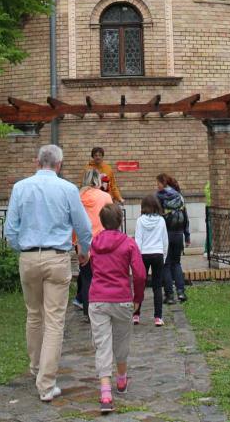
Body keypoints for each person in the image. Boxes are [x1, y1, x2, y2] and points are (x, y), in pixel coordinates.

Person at [5, 144, 92, 403]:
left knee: (34, 315)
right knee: (54, 320)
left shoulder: (20, 188)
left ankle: (36, 368)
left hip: (29, 256)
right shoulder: (67, 189)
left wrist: (22, 248)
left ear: (37, 162)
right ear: (59, 164)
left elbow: (11, 228)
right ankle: (46, 381)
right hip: (56, 257)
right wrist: (84, 250)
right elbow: (84, 227)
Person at [88, 203, 146, 413]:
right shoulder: (129, 244)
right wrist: (137, 298)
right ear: (120, 221)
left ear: (102, 222)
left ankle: (105, 392)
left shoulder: (94, 243)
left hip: (98, 299)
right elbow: (139, 274)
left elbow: (92, 266)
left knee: (102, 344)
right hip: (121, 298)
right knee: (121, 339)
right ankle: (121, 380)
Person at [76, 168, 113, 319]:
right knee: (104, 275)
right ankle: (103, 308)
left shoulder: (78, 197)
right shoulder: (105, 197)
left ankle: (87, 311)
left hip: (83, 241)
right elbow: (111, 217)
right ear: (98, 180)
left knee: (86, 277)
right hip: (103, 240)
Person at [133, 194, 169, 326]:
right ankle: (158, 317)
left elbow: (138, 240)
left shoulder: (140, 221)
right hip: (158, 253)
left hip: (144, 254)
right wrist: (164, 256)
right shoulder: (161, 221)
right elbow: (165, 240)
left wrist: (136, 258)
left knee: (140, 285)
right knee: (157, 286)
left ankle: (136, 314)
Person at [156, 173, 190, 304]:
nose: (157, 186)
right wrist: (187, 236)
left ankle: (169, 296)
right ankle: (181, 293)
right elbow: (185, 217)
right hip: (178, 234)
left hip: (165, 234)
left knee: (166, 264)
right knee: (176, 263)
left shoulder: (158, 196)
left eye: (158, 183)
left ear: (163, 183)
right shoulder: (179, 196)